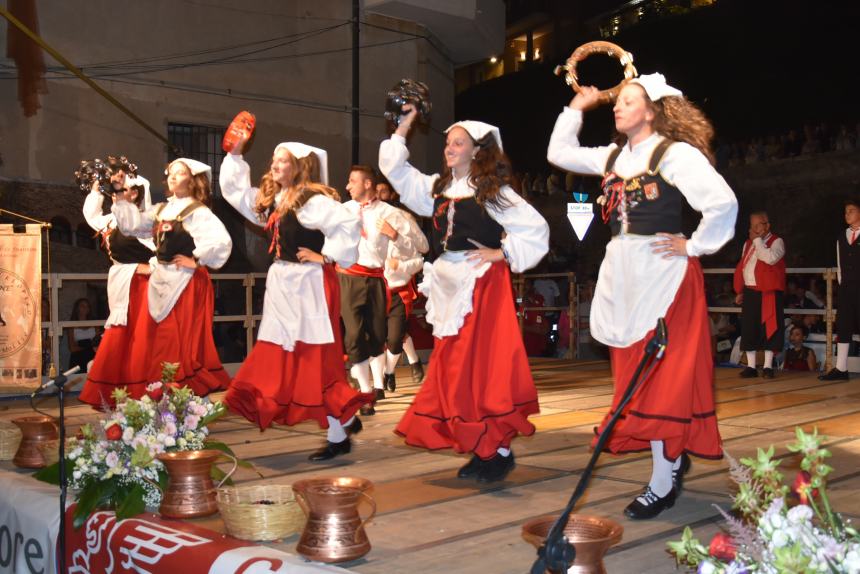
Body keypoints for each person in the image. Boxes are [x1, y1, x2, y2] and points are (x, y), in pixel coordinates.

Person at [547, 73, 738, 519]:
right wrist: (577, 107)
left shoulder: (674, 154)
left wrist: (694, 245)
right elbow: (558, 153)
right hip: (624, 273)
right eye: (618, 102)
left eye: (628, 100)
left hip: (665, 275)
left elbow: (722, 203)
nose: (618, 107)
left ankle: (661, 479)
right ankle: (668, 461)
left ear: (651, 110)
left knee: (663, 376)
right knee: (635, 372)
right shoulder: (614, 155)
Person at [380, 109, 549, 483]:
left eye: (458, 143)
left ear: (477, 151)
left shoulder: (492, 191)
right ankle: (483, 447)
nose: (449, 148)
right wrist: (404, 126)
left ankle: (497, 451)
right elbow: (397, 172)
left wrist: (501, 252)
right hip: (449, 283)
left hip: (481, 286)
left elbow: (536, 229)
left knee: (481, 369)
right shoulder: (438, 189)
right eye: (447, 142)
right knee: (457, 369)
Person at [219, 139, 371, 461]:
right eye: (273, 159)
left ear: (299, 166)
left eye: (282, 160)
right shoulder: (277, 199)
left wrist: (326, 256)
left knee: (313, 358)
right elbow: (240, 197)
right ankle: (342, 420)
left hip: (309, 285)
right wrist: (234, 155)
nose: (274, 165)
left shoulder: (311, 201)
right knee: (285, 355)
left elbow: (348, 225)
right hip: (284, 285)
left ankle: (338, 428)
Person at [112, 158, 232, 397]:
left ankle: (182, 392)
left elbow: (221, 241)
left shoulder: (198, 211)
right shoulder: (160, 210)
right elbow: (132, 226)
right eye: (171, 173)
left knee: (180, 339)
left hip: (185, 281)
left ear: (194, 179)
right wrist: (118, 192)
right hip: (161, 278)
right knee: (159, 338)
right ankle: (160, 392)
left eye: (180, 173)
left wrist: (196, 260)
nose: (173, 177)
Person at [79, 158, 159, 407]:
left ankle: (142, 392)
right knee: (119, 336)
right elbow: (92, 217)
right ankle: (116, 392)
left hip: (141, 288)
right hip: (121, 284)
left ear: (134, 193)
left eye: (120, 188)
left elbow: (165, 253)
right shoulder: (113, 220)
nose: (115, 193)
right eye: (114, 188)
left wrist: (149, 268)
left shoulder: (144, 222)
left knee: (138, 339)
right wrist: (95, 192)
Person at [339, 165, 414, 415]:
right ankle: (365, 391)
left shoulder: (390, 213)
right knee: (353, 336)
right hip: (349, 278)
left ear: (368, 184)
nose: (348, 186)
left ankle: (377, 383)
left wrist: (395, 236)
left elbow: (410, 247)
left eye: (352, 181)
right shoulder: (344, 210)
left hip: (376, 280)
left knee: (377, 335)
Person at [376, 178, 429, 390]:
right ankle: (410, 364)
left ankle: (388, 374)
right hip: (374, 285)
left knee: (396, 333)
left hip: (398, 284)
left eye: (383, 191)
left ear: (392, 194)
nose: (378, 195)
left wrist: (400, 261)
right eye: (375, 191)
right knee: (386, 334)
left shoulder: (403, 218)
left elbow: (423, 248)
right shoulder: (364, 216)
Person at [733, 211, 786, 379]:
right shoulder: (747, 244)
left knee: (769, 327)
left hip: (768, 292)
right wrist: (740, 290)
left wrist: (756, 240)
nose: (755, 229)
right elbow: (744, 267)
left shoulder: (777, 241)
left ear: (767, 225)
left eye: (758, 225)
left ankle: (768, 366)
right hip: (750, 291)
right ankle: (751, 366)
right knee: (749, 328)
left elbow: (769, 258)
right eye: (752, 225)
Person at [821, 198, 860, 380]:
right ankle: (841, 369)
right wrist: (843, 285)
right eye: (845, 212)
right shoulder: (841, 236)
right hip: (846, 288)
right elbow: (839, 264)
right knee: (843, 325)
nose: (847, 214)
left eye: (851, 211)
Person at [66, 298, 99, 373]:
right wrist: (87, 347)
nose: (85, 308)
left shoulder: (95, 323)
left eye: (87, 306)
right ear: (77, 308)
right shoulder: (72, 325)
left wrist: (91, 348)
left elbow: (98, 343)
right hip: (78, 358)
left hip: (92, 356)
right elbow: (72, 348)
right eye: (82, 306)